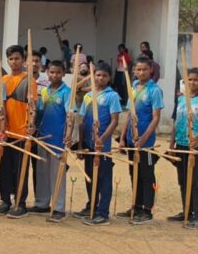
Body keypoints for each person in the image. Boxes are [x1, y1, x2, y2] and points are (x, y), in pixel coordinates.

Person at [73, 62, 122, 226]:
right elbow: (81, 122)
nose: (100, 78)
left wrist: (102, 139)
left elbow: (114, 121)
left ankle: (103, 212)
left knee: (104, 179)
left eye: (104, 76)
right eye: (98, 75)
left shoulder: (112, 96)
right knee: (89, 178)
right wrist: (80, 145)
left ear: (109, 78)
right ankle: (91, 206)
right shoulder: (88, 96)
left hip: (103, 146)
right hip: (88, 144)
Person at [167, 66, 198, 229]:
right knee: (183, 180)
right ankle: (187, 210)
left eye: (195, 80)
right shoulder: (181, 99)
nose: (192, 82)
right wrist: (171, 144)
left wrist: (196, 138)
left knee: (197, 180)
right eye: (189, 79)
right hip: (181, 144)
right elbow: (175, 123)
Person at [118, 57, 164, 224]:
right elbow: (129, 114)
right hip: (132, 140)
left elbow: (156, 118)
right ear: (134, 71)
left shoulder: (155, 90)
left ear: (150, 69)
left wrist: (144, 138)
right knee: (134, 174)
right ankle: (136, 206)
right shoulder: (134, 87)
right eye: (138, 70)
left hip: (147, 142)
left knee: (146, 175)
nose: (141, 72)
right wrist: (123, 137)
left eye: (144, 69)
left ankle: (147, 210)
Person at [35, 60, 72, 221]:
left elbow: (70, 116)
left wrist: (69, 136)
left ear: (64, 73)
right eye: (51, 72)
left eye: (58, 72)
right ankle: (42, 203)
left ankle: (58, 208)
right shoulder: (44, 92)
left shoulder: (67, 92)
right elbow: (40, 113)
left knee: (57, 173)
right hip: (43, 137)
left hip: (59, 139)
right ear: (47, 73)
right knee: (42, 172)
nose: (54, 75)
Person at [0, 45, 29, 216]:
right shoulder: (3, 80)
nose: (14, 62)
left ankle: (21, 203)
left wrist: (29, 129)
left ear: (23, 60)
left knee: (21, 169)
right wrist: (2, 127)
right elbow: (0, 107)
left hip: (22, 133)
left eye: (17, 58)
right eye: (11, 59)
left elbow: (33, 107)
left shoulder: (29, 80)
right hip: (6, 133)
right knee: (5, 169)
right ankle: (5, 201)